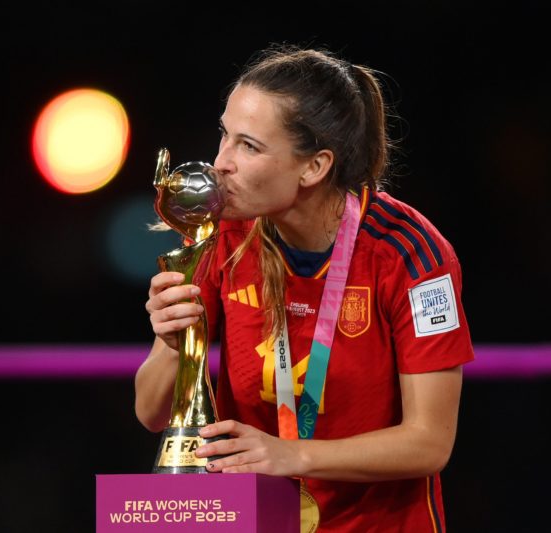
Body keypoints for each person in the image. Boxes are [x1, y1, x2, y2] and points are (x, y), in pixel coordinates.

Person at [136, 44, 474, 532]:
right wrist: (174, 345)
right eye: (224, 136)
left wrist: (291, 454)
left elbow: (430, 442)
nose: (220, 163)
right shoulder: (220, 235)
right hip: (253, 521)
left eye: (248, 146)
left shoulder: (410, 254)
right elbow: (150, 413)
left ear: (313, 167)